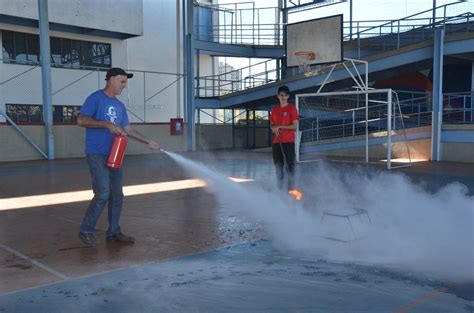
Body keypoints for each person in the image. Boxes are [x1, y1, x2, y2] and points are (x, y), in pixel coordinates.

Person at [77, 67, 159, 246]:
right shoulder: (95, 98)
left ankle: (113, 231)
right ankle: (86, 229)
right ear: (111, 80)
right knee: (103, 192)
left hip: (115, 154)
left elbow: (128, 129)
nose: (124, 86)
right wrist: (106, 124)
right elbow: (81, 120)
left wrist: (147, 141)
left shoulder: (120, 106)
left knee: (117, 194)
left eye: (125, 82)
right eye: (122, 82)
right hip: (97, 153)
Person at [269, 85, 299, 191]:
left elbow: (295, 126)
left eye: (285, 95)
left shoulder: (291, 109)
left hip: (288, 142)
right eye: (281, 95)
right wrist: (273, 128)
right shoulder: (275, 109)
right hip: (277, 142)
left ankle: (291, 189)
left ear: (288, 96)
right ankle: (280, 188)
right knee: (278, 166)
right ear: (278, 96)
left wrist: (280, 126)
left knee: (290, 166)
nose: (283, 97)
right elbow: (272, 123)